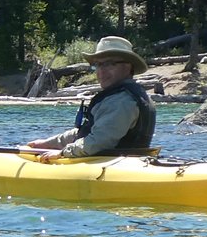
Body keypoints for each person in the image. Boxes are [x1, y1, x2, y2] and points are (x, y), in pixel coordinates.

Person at [21, 37, 157, 160]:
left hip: (113, 169)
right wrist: (47, 143)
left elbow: (98, 142)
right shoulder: (127, 96)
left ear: (128, 67)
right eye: (98, 64)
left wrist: (63, 153)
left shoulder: (121, 101)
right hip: (119, 165)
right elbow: (86, 132)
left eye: (109, 63)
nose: (101, 71)